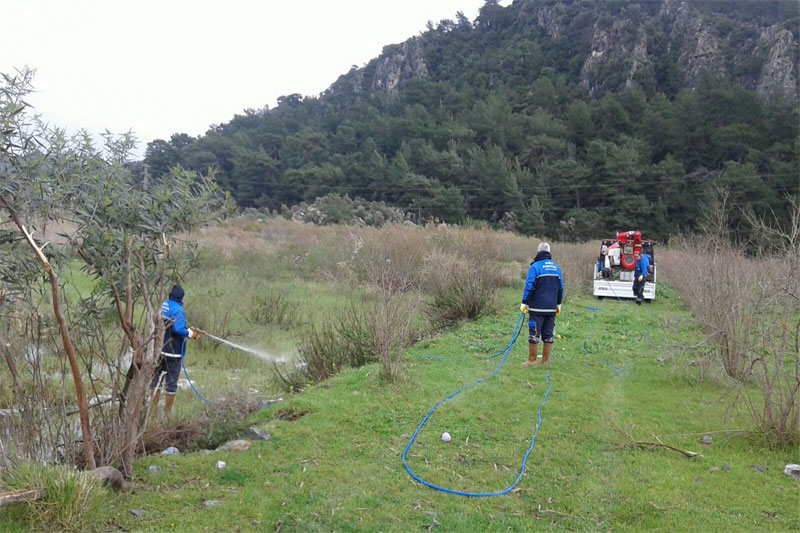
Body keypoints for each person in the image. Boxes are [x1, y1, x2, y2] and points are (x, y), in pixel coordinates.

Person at [150, 284, 203, 414]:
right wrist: (190, 334)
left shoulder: (163, 305)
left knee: (155, 383)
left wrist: (188, 329)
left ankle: (151, 413)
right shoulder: (178, 310)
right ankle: (168, 414)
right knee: (171, 385)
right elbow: (178, 329)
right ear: (181, 298)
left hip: (158, 350)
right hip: (173, 353)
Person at [520, 242, 564, 366]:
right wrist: (558, 304)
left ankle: (532, 360)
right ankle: (544, 362)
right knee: (548, 335)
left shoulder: (535, 267)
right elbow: (561, 288)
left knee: (534, 334)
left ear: (538, 252)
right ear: (549, 252)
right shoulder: (557, 268)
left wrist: (524, 302)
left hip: (536, 308)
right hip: (551, 309)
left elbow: (529, 286)